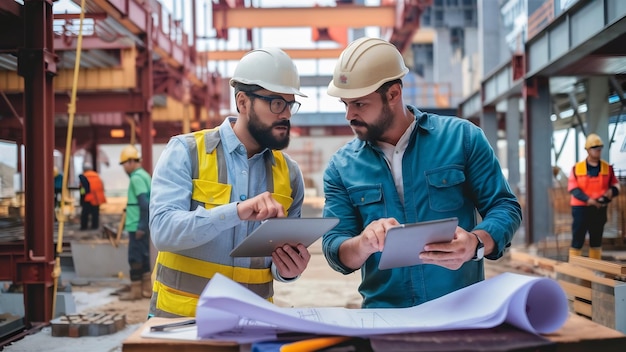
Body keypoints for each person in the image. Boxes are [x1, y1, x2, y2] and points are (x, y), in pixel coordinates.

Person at [321, 37, 523, 309]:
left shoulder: (462, 139)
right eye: (345, 104)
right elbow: (335, 246)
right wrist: (363, 243)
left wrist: (475, 243)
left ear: (393, 94)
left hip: (461, 309)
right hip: (385, 317)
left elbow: (504, 207)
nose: (349, 115)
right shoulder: (341, 167)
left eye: (359, 104)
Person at [148, 47, 311, 318]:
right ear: (243, 102)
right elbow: (164, 233)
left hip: (253, 324)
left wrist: (288, 271)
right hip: (181, 324)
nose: (286, 114)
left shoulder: (290, 175)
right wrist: (236, 211)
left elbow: (275, 265)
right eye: (276, 103)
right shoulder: (187, 152)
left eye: (290, 104)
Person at [567, 133, 620, 260]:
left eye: (599, 148)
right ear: (588, 150)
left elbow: (616, 185)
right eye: (595, 148)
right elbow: (573, 188)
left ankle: (595, 268)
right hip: (581, 209)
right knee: (578, 239)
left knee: (596, 239)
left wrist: (612, 191)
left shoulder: (607, 168)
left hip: (599, 208)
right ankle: (575, 268)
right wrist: (589, 200)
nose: (598, 151)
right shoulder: (577, 168)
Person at [118, 145, 153, 301]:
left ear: (132, 161)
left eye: (124, 164)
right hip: (142, 224)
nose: (124, 168)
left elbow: (144, 204)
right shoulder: (144, 175)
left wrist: (140, 226)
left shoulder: (136, 178)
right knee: (144, 257)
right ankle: (146, 289)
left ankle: (136, 291)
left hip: (136, 225)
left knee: (135, 258)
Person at [78, 162, 106, 230]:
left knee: (85, 214)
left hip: (88, 198)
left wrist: (82, 198)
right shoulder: (97, 176)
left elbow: (82, 189)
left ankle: (84, 227)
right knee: (95, 213)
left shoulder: (84, 176)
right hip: (97, 198)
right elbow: (101, 187)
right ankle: (95, 226)